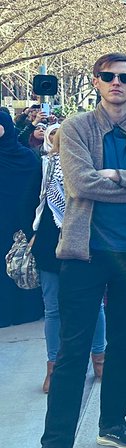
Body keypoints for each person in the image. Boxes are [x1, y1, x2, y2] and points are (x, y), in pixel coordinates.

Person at [12, 54, 126, 448]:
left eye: (125, 78)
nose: (117, 83)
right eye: (109, 76)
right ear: (96, 81)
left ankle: (114, 424)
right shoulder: (75, 129)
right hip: (83, 254)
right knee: (73, 351)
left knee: (124, 344)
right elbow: (81, 184)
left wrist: (115, 176)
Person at [32, 124, 106, 392]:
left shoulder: (91, 166)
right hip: (50, 244)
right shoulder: (43, 166)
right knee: (53, 309)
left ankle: (100, 358)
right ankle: (53, 366)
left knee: (94, 305)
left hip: (85, 240)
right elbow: (32, 201)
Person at [0, 107, 44, 329]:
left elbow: (37, 190)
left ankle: (26, 310)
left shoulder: (25, 156)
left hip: (20, 223)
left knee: (22, 263)